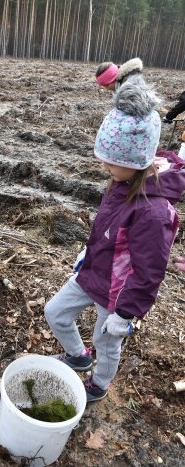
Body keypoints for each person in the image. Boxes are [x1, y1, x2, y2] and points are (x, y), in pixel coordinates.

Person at [45, 81, 185, 403]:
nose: (104, 166)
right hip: (94, 272)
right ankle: (79, 356)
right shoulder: (121, 181)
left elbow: (150, 271)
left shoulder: (153, 212)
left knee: (106, 339)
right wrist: (89, 252)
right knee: (55, 312)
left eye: (110, 161)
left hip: (116, 294)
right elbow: (108, 226)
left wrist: (126, 314)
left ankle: (99, 384)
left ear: (136, 160)